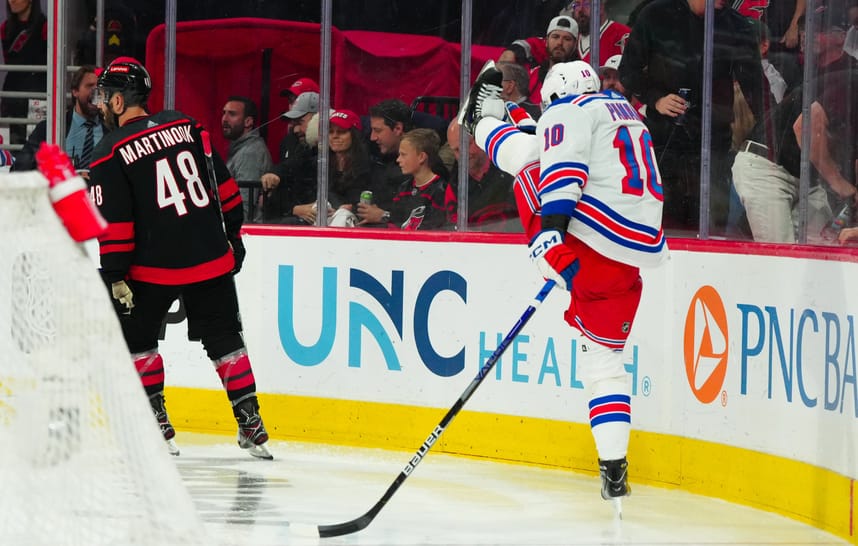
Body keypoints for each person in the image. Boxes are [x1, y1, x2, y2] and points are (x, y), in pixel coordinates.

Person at [462, 60, 667, 505]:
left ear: (554, 96)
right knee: (605, 365)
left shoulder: (566, 111)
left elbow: (564, 172)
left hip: (585, 243)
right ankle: (614, 470)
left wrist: (547, 234)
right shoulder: (626, 113)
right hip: (629, 260)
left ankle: (481, 123)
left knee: (530, 165)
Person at [87, 59, 272, 460]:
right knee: (225, 339)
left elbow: (114, 223)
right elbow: (223, 184)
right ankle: (251, 423)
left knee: (138, 342)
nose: (101, 106)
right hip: (210, 257)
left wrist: (115, 274)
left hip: (150, 267)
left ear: (119, 100)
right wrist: (233, 237)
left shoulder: (107, 153)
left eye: (104, 98)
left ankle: (157, 425)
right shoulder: (188, 126)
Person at [619, 0, 763, 236]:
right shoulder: (656, 15)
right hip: (666, 138)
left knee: (711, 222)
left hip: (713, 140)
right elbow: (628, 71)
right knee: (664, 221)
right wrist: (656, 99)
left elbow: (755, 86)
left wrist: (772, 127)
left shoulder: (736, 26)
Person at [792, 1, 858, 240]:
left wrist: (843, 187)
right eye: (805, 30)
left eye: (816, 31)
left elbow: (805, 127)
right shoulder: (803, 68)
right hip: (801, 175)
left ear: (840, 36)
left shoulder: (849, 75)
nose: (807, 36)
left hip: (828, 182)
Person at [13, 65, 105, 173]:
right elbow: (19, 169)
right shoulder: (48, 129)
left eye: (99, 87)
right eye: (90, 86)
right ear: (75, 91)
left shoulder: (112, 128)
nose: (96, 92)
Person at [260, 91, 327, 224]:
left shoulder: (331, 150)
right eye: (294, 123)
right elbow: (274, 202)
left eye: (301, 122)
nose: (296, 129)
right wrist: (274, 174)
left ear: (319, 118)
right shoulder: (291, 143)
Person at [444, 120, 519, 232]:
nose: (463, 154)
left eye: (467, 144)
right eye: (456, 150)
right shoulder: (455, 187)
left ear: (480, 139)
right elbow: (455, 231)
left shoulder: (511, 169)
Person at [357, 99, 413, 226]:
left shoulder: (424, 166)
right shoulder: (379, 157)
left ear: (398, 128)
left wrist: (385, 216)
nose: (372, 137)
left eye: (378, 130)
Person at [1, 0, 47, 144]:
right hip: (13, 90)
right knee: (15, 140)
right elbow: (10, 61)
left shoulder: (45, 26)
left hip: (38, 90)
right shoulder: (5, 28)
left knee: (37, 142)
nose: (11, 1)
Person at [221, 95, 274, 223]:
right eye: (224, 113)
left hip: (247, 234)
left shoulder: (250, 152)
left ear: (248, 122)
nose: (224, 119)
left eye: (232, 114)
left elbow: (244, 208)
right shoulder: (240, 148)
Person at [387, 128, 450, 230]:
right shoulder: (404, 189)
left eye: (403, 155)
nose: (398, 160)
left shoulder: (440, 192)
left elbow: (435, 231)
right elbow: (393, 225)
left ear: (421, 157)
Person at [325, 108, 373, 226]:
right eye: (331, 132)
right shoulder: (319, 163)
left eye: (341, 132)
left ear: (354, 135)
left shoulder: (367, 167)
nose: (334, 136)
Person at [568, 0, 631, 66]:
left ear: (600, 8)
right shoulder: (569, 38)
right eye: (577, 5)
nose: (580, 9)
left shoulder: (623, 34)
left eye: (587, 4)